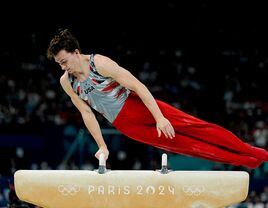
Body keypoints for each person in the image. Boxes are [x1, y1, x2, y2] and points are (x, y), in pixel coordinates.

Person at [46, 28, 268, 169]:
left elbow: (138, 86)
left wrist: (159, 117)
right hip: (125, 125)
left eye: (64, 61)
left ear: (76, 52)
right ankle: (247, 161)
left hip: (140, 106)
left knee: (198, 129)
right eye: (59, 64)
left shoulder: (99, 63)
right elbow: (87, 113)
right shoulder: (67, 82)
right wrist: (102, 146)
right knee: (187, 147)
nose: (64, 67)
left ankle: (255, 152)